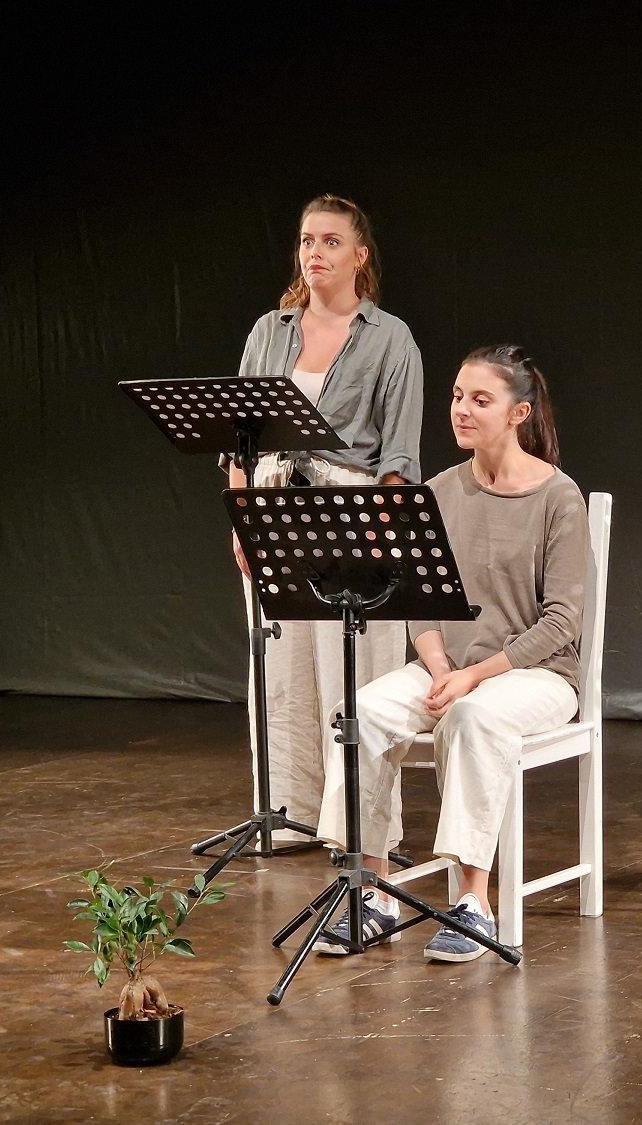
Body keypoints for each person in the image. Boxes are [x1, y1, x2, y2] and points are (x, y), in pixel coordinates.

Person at [313, 344, 588, 961]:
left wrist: (473, 678)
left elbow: (563, 621)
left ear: (519, 413)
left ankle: (472, 902)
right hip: (448, 667)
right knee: (359, 713)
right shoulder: (438, 491)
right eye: (458, 396)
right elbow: (422, 600)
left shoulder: (558, 497)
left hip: (535, 674)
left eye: (480, 400)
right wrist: (440, 667)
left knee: (473, 716)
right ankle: (373, 892)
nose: (461, 409)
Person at [229, 194, 423, 844]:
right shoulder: (270, 331)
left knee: (355, 672)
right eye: (308, 240)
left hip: (352, 512)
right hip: (273, 508)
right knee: (283, 674)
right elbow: (239, 440)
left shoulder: (389, 336)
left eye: (331, 241)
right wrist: (242, 519)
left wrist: (382, 529)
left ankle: (359, 828)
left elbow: (399, 454)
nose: (315, 252)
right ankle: (292, 816)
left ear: (360, 255)